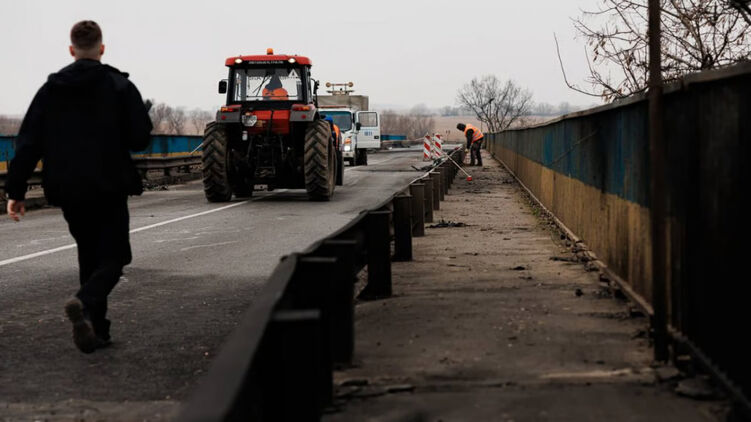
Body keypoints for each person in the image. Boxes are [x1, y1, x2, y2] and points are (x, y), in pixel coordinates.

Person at [5, 20, 152, 353]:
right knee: (115, 256)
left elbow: (28, 142)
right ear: (102, 48)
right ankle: (85, 303)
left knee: (89, 254)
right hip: (109, 185)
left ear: (72, 50)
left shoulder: (51, 90)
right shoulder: (119, 86)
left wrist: (15, 191)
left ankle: (96, 329)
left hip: (68, 187)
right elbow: (139, 139)